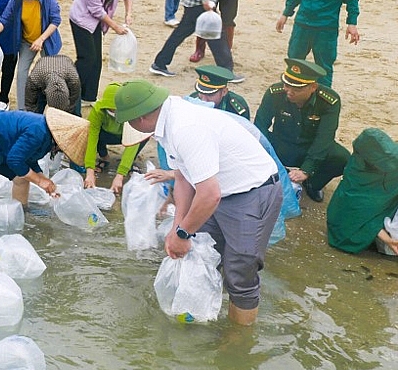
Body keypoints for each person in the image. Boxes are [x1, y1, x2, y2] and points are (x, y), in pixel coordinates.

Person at [119, 82, 283, 324]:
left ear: (141, 119)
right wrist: (178, 227)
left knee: (239, 271)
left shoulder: (185, 127)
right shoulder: (166, 119)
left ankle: (237, 343)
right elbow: (183, 177)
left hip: (252, 192)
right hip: (218, 190)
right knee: (205, 256)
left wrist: (184, 233)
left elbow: (209, 194)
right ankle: (205, 317)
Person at [0, 108, 87, 212]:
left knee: (21, 178)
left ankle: (20, 213)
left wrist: (43, 179)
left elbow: (26, 158)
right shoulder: (39, 131)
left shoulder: (46, 135)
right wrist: (40, 181)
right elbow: (15, 160)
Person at [254, 58, 349, 203]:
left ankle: (313, 184)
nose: (289, 92)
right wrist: (270, 159)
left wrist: (307, 170)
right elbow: (260, 126)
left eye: (297, 89)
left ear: (313, 87)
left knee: (342, 158)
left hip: (310, 146)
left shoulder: (329, 101)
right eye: (286, 85)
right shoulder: (275, 93)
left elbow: (324, 138)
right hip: (281, 144)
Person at [0, 0, 62, 111]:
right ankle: (23, 109)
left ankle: (54, 107)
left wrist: (41, 39)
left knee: (51, 73)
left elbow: (56, 21)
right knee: (22, 71)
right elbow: (4, 19)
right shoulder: (17, 0)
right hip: (26, 41)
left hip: (47, 40)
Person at [70, 0, 133, 104]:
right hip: (82, 19)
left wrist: (128, 13)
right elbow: (95, 9)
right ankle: (70, 90)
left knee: (97, 59)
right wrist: (115, 27)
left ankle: (89, 96)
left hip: (97, 21)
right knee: (87, 57)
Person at [326, 128, 398, 255]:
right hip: (362, 229)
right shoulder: (355, 183)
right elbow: (357, 218)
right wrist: (389, 240)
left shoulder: (390, 160)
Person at [84, 82, 150, 194]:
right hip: (106, 134)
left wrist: (120, 175)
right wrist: (89, 172)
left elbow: (134, 141)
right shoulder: (98, 111)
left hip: (126, 135)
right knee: (94, 134)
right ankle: (104, 156)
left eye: (116, 109)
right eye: (111, 109)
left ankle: (129, 162)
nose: (114, 112)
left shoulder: (131, 112)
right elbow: (92, 138)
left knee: (143, 135)